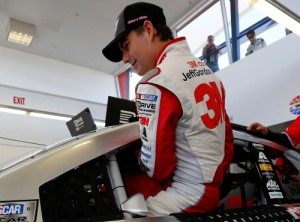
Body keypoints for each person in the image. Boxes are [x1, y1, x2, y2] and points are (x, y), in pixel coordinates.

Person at [102, 2, 234, 216]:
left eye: (126, 46)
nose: (125, 58)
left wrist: (135, 156)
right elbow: (226, 142)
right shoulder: (209, 75)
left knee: (114, 204)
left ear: (148, 29)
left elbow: (158, 168)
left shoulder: (154, 82)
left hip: (184, 193)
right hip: (210, 190)